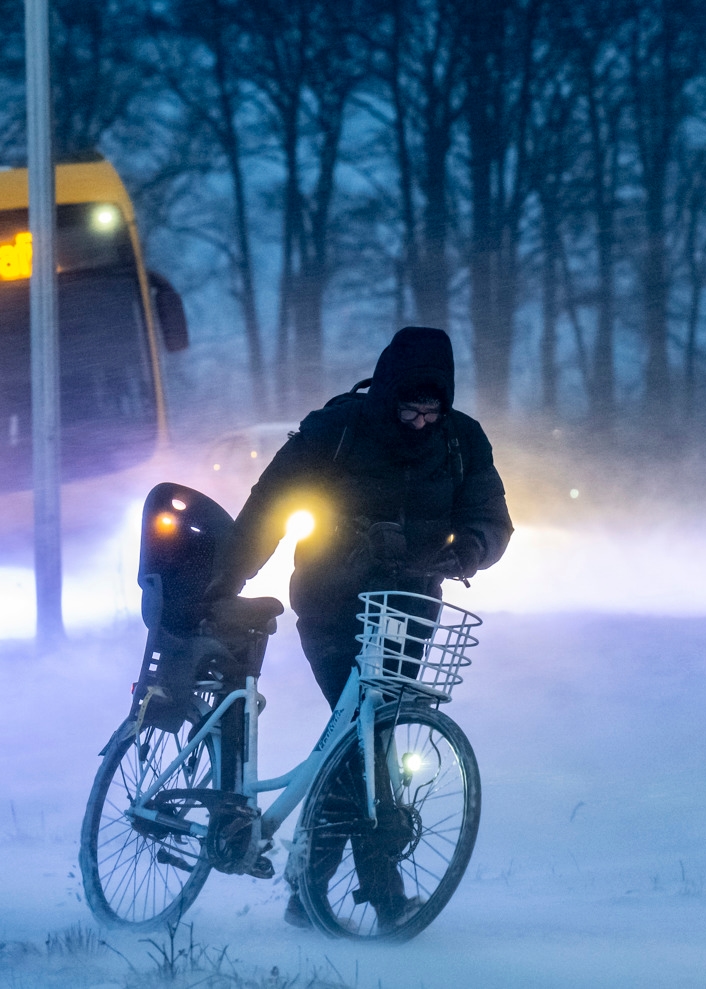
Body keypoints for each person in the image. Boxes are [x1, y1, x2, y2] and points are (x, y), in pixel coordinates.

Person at [205, 325, 513, 930]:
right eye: (410, 407)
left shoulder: (462, 439)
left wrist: (471, 547)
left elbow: (491, 517)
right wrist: (228, 579)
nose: (422, 421)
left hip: (410, 609)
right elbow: (270, 502)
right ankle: (381, 895)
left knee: (367, 737)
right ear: (388, 393)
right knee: (365, 740)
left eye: (433, 409)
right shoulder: (337, 429)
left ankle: (306, 892)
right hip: (333, 602)